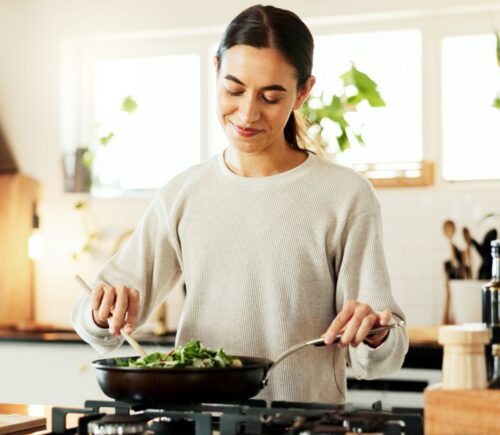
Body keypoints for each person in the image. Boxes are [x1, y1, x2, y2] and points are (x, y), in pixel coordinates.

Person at [72, 4, 408, 404]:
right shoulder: (183, 193)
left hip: (305, 426)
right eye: (233, 89)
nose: (247, 113)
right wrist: (101, 311)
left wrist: (376, 332)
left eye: (270, 97)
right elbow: (93, 318)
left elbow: (381, 357)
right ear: (215, 71)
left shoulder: (345, 195)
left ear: (303, 92)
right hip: (199, 423)